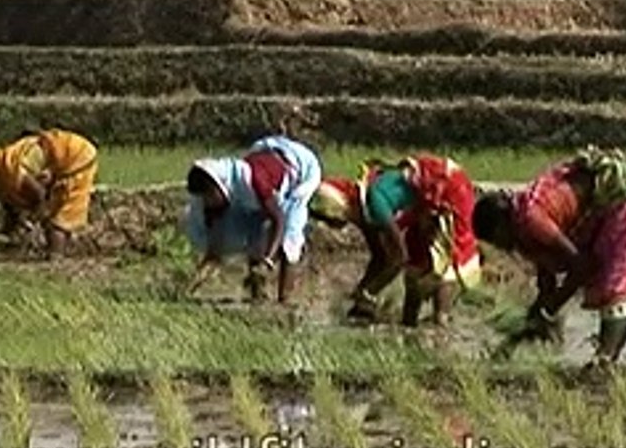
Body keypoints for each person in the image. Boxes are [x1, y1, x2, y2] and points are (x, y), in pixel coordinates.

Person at [471, 147, 626, 369]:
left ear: (501, 225)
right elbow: (547, 280)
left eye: (496, 240)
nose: (501, 248)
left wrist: (551, 309)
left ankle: (604, 360)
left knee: (616, 283)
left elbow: (582, 266)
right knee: (619, 281)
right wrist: (536, 316)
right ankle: (608, 359)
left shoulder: (530, 219)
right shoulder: (524, 224)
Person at [309, 155, 481, 327]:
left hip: (447, 191)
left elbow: (399, 259)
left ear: (337, 208)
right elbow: (379, 256)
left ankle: (440, 321)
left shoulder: (375, 203)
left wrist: (369, 293)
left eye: (327, 219)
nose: (329, 225)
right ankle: (409, 324)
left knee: (445, 256)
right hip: (422, 204)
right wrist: (362, 290)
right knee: (417, 260)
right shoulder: (361, 210)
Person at [185, 135, 322, 304]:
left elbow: (278, 220)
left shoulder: (254, 181)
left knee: (288, 240)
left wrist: (268, 261)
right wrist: (190, 285)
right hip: (264, 172)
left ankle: (284, 301)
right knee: (254, 239)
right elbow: (215, 248)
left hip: (299, 171)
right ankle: (258, 296)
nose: (207, 202)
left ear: (218, 186)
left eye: (209, 196)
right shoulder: (218, 199)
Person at [0, 129, 99, 259]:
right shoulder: (5, 164)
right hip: (77, 154)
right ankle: (56, 255)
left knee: (61, 216)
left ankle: (55, 257)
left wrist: (40, 203)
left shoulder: (5, 165)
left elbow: (23, 175)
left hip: (74, 155)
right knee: (64, 213)